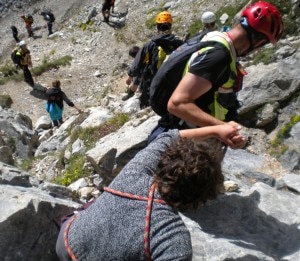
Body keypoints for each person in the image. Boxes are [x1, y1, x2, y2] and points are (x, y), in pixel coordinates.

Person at [56, 122, 243, 261]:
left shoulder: (138, 169)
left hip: (66, 241)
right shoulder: (174, 239)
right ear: (201, 197)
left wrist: (217, 130)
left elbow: (169, 136)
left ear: (165, 161)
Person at [148, 1, 284, 148]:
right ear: (257, 41)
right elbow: (178, 104)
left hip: (185, 133)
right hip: (183, 142)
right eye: (263, 44)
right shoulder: (218, 56)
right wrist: (222, 128)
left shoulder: (215, 37)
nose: (258, 50)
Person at [125, 11, 183, 109]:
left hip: (153, 81)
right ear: (170, 25)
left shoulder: (150, 44)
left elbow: (137, 64)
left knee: (147, 104)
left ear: (157, 26)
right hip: (174, 81)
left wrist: (130, 76)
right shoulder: (178, 42)